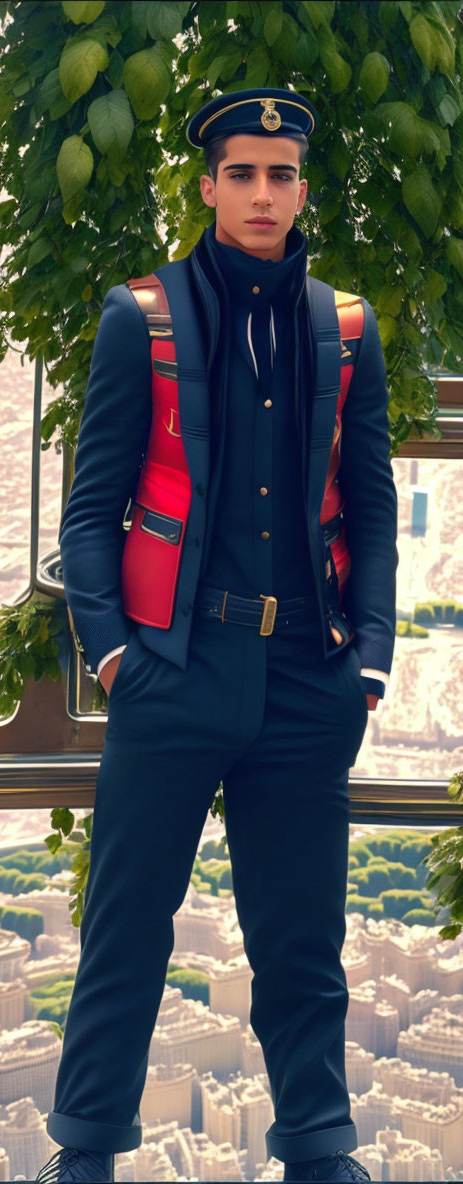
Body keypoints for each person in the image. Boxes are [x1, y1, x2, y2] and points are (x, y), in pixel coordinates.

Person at [35, 86, 398, 1184]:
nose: (261, 192)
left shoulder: (347, 326)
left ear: (301, 189)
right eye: (241, 172)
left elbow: (373, 509)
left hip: (307, 680)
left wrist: (367, 662)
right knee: (127, 928)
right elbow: (91, 514)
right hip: (172, 671)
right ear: (207, 185)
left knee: (303, 943)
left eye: (281, 175)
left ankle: (320, 1149)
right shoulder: (137, 316)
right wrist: (113, 658)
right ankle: (86, 1151)